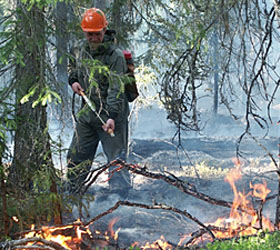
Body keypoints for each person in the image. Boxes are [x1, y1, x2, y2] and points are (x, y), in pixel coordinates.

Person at [66, 7, 131, 198]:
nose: (93, 38)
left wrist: (111, 116)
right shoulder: (79, 49)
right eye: (89, 34)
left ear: (104, 30)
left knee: (116, 161)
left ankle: (122, 201)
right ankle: (73, 194)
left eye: (96, 34)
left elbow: (116, 89)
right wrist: (73, 81)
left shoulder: (115, 56)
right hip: (87, 114)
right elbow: (73, 67)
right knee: (76, 156)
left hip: (112, 117)